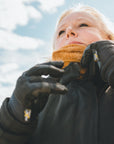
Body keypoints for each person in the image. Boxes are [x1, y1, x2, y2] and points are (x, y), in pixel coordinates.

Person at [0, 4, 114, 144]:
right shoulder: (37, 99)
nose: (69, 32)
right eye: (61, 32)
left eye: (83, 24)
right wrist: (13, 118)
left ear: (108, 37)